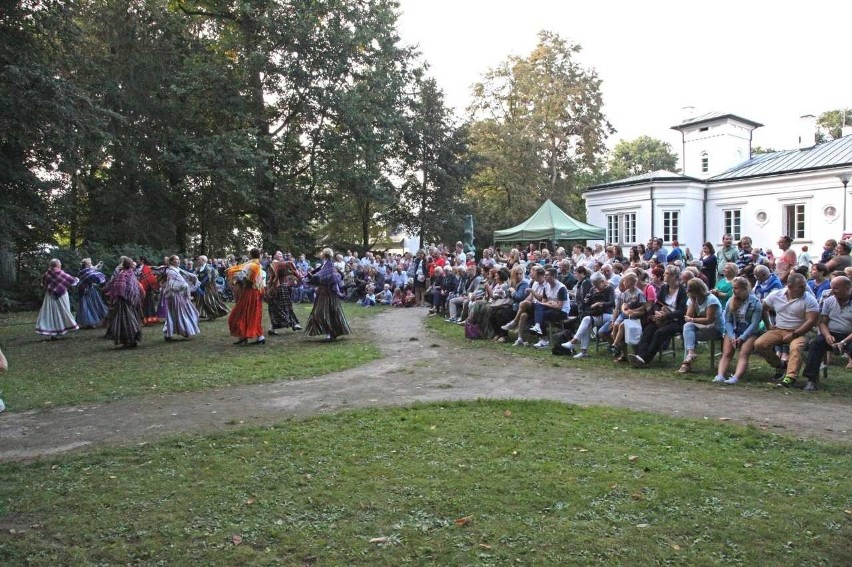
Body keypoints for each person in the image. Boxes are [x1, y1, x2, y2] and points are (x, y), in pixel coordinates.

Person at [754, 273, 820, 388]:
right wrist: (768, 324)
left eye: (804, 285)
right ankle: (780, 365)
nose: (804, 288)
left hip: (801, 331)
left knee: (796, 347)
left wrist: (795, 334)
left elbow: (811, 321)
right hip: (779, 329)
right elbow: (763, 308)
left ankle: (790, 377)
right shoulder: (775, 295)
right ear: (789, 287)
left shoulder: (809, 299)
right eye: (800, 286)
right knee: (759, 344)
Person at [801, 276, 852, 391]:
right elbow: (823, 322)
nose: (832, 291)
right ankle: (811, 380)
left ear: (848, 288)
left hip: (849, 336)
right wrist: (827, 335)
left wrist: (843, 342)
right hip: (832, 333)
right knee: (815, 344)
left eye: (836, 288)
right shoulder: (829, 300)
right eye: (832, 288)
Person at [629, 265, 687, 366]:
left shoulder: (682, 291)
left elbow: (682, 311)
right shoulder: (664, 288)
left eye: (666, 273)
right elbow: (657, 304)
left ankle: (645, 359)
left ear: (673, 276)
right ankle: (639, 356)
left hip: (676, 320)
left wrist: (666, 316)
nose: (663, 275)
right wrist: (657, 313)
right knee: (648, 330)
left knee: (659, 333)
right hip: (662, 317)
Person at [713, 276, 763, 384]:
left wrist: (742, 338)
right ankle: (720, 375)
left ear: (744, 289)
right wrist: (731, 336)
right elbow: (728, 321)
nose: (733, 291)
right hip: (734, 330)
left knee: (743, 353)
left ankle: (736, 377)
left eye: (736, 288)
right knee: (727, 352)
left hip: (749, 332)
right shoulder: (730, 302)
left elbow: (755, 324)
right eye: (733, 288)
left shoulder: (756, 303)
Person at [305, 247, 351, 341]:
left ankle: (330, 334)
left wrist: (313, 277)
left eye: (322, 253)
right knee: (325, 312)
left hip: (328, 293)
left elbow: (330, 277)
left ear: (325, 255)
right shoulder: (325, 265)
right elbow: (320, 274)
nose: (320, 254)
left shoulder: (329, 265)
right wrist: (312, 276)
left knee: (325, 313)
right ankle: (330, 333)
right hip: (323, 292)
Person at [678, 279, 723, 373]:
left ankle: (686, 364)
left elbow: (708, 320)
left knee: (688, 333)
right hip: (701, 327)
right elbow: (688, 317)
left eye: (689, 290)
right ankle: (690, 353)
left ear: (697, 290)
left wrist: (693, 320)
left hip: (715, 328)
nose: (686, 291)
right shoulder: (692, 299)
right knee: (687, 328)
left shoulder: (711, 300)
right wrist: (693, 302)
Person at [226, 248, 267, 345]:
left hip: (250, 292)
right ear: (259, 255)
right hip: (256, 292)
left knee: (241, 313)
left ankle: (254, 336)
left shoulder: (251, 265)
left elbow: (243, 277)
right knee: (252, 314)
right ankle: (248, 336)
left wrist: (234, 278)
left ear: (250, 255)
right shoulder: (256, 265)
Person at [103, 256, 145, 348]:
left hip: (125, 302)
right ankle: (130, 340)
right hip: (128, 302)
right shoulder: (129, 274)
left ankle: (129, 341)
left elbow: (122, 288)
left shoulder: (125, 274)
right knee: (129, 321)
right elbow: (121, 287)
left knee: (125, 322)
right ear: (129, 265)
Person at [35, 259, 79, 339]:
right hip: (62, 297)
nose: (61, 265)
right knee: (63, 312)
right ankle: (63, 329)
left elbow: (44, 284)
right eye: (60, 264)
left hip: (49, 296)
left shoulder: (46, 274)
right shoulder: (61, 273)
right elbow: (72, 281)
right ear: (57, 265)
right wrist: (76, 279)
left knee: (51, 314)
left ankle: (53, 334)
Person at [161, 256, 201, 341]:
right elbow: (177, 284)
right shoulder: (171, 272)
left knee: (177, 313)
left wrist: (192, 278)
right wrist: (187, 290)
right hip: (175, 296)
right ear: (171, 262)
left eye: (179, 259)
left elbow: (185, 276)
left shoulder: (177, 270)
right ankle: (184, 331)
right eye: (176, 259)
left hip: (179, 295)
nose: (178, 261)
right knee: (180, 313)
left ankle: (171, 333)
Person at [266, 257, 301, 334]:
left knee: (285, 307)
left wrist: (297, 277)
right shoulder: (275, 267)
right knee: (276, 309)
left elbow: (293, 273)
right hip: (277, 289)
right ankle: (273, 327)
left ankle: (294, 324)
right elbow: (271, 280)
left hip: (280, 288)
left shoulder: (282, 267)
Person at [194, 255, 230, 321]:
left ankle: (214, 314)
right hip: (202, 286)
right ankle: (204, 314)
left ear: (203, 260)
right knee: (201, 301)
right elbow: (197, 276)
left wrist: (200, 284)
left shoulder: (209, 267)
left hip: (209, 287)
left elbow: (208, 278)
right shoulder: (199, 268)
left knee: (210, 300)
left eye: (199, 259)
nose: (198, 260)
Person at [76, 258, 109, 329]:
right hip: (86, 291)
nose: (91, 264)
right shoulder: (86, 272)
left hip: (90, 290)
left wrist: (98, 264)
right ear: (86, 264)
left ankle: (93, 322)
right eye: (90, 263)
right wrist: (100, 279)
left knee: (93, 305)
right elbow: (93, 274)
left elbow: (94, 269)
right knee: (87, 306)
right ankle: (89, 323)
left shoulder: (86, 270)